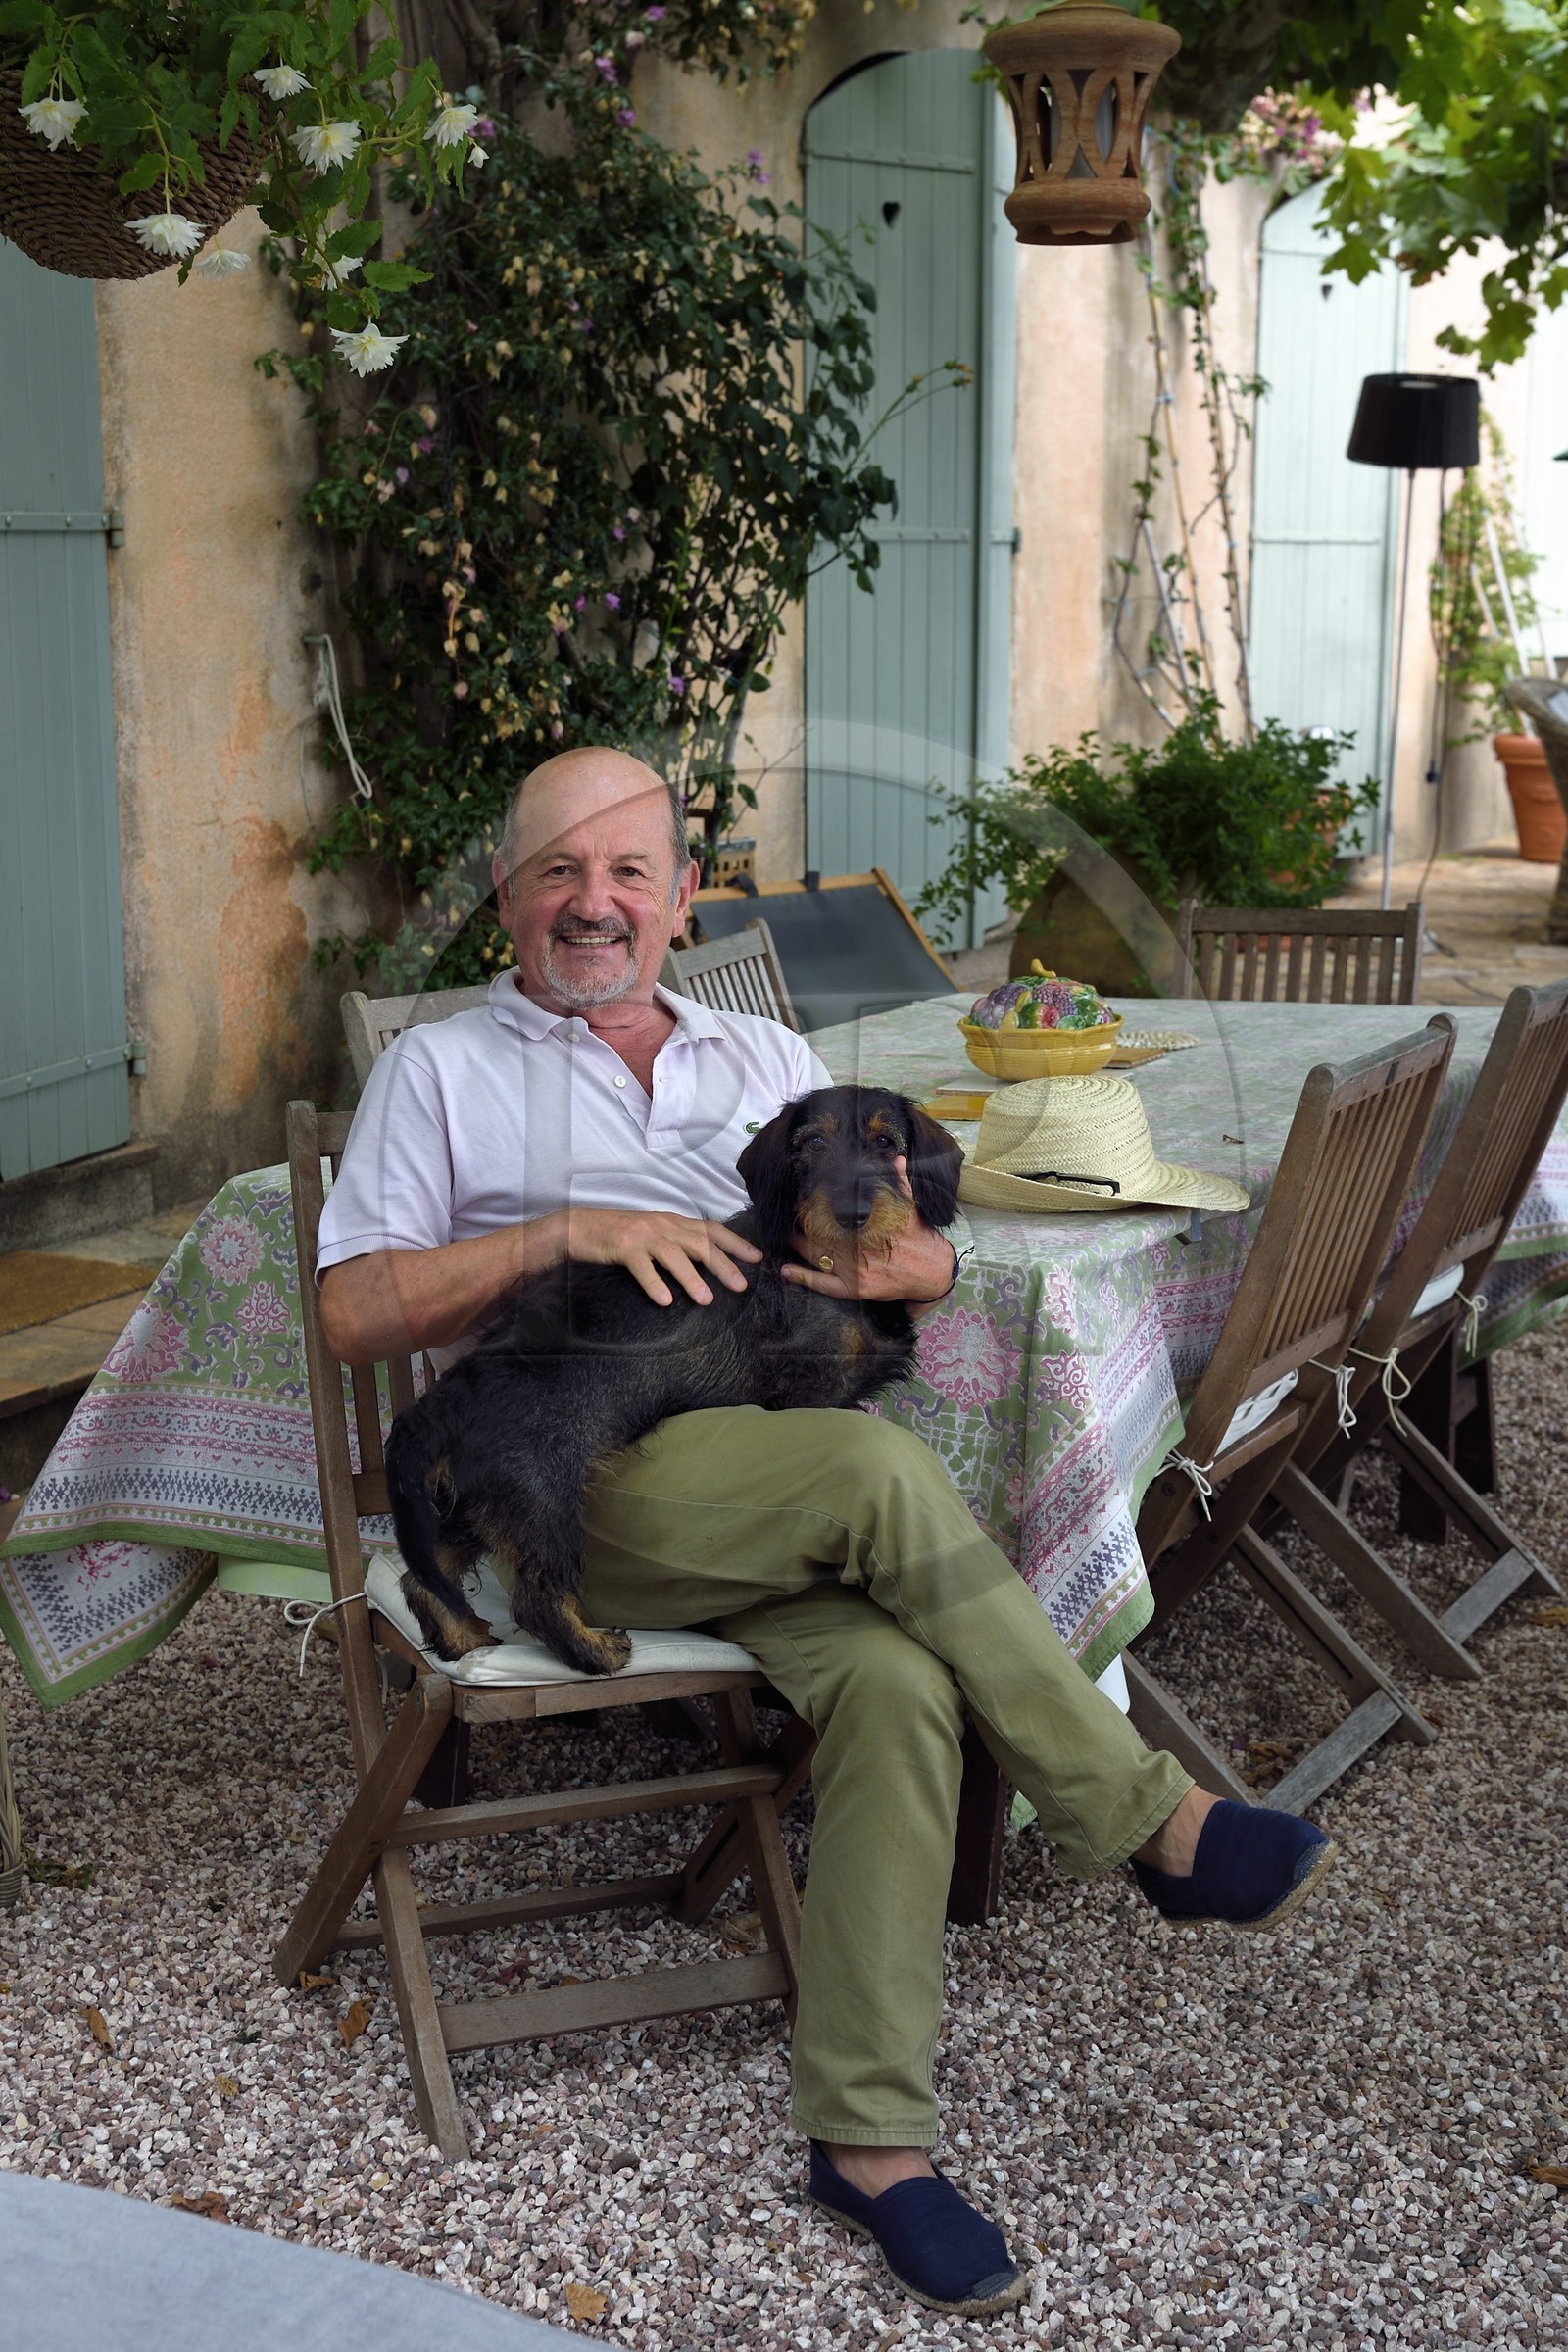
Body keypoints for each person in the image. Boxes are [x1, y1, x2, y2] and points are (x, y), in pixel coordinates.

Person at [317, 748, 1336, 2319]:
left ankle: (868, 2147)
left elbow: (910, 1232)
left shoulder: (766, 1055)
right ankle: (1153, 1822)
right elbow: (348, 1312)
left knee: (901, 1686)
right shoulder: (441, 1069)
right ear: (506, 897)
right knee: (874, 1473)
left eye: (629, 873)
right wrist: (566, 1228)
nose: (595, 904)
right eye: (558, 872)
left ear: (682, 896)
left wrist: (930, 1272)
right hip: (577, 1481)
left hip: (765, 1473)